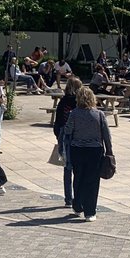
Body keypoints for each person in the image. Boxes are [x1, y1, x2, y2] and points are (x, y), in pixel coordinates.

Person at [62, 85, 113, 221]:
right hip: (94, 150)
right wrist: (110, 151)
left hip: (77, 149)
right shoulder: (99, 114)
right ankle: (90, 212)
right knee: (92, 181)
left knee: (78, 178)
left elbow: (67, 131)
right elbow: (106, 135)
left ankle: (78, 206)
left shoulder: (74, 113)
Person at [53, 76, 82, 207]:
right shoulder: (80, 103)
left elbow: (57, 123)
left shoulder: (63, 101)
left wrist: (59, 137)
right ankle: (78, 197)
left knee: (67, 168)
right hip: (77, 137)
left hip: (64, 137)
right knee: (78, 169)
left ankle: (68, 199)